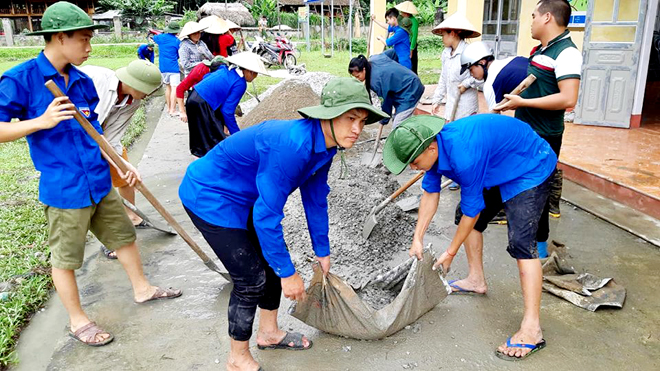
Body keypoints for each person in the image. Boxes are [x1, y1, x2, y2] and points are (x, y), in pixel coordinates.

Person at [0, 1, 181, 347]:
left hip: (98, 178)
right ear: (57, 37)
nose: (89, 47)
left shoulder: (82, 82)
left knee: (124, 235)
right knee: (66, 258)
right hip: (64, 187)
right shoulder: (21, 80)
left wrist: (122, 165)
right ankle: (77, 320)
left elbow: (94, 132)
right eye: (82, 39)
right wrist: (40, 122)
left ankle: (142, 288)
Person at [179, 77, 388, 371]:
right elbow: (266, 216)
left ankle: (268, 333)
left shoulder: (326, 147)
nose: (357, 129)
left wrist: (322, 251)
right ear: (328, 115)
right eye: (350, 118)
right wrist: (288, 273)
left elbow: (315, 199)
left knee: (271, 261)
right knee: (251, 278)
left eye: (362, 121)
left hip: (245, 196)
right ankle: (237, 357)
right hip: (210, 195)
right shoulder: (292, 146)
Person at [383, 114, 557, 361]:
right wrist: (417, 238)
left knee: (521, 242)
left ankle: (532, 329)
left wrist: (450, 252)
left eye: (414, 161)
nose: (412, 167)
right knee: (462, 218)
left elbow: (472, 211)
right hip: (496, 164)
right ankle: (476, 280)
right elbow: (430, 194)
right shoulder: (433, 153)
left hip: (529, 165)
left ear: (431, 147)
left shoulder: (463, 156)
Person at [496, 0, 583, 250]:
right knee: (522, 188)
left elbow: (568, 98)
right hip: (525, 131)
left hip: (544, 136)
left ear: (547, 18)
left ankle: (540, 253)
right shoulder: (541, 50)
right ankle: (532, 247)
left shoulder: (566, 53)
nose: (530, 21)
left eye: (533, 15)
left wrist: (524, 102)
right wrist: (516, 103)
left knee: (539, 194)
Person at [80, 60, 163, 258]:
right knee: (97, 189)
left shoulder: (133, 101)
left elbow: (112, 135)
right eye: (147, 91)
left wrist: (121, 164)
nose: (149, 96)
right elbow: (87, 130)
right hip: (75, 137)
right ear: (136, 84)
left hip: (101, 134)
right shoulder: (96, 80)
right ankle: (110, 239)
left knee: (126, 175)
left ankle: (132, 216)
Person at [430, 12, 481, 190]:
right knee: (452, 139)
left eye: (444, 34)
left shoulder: (469, 52)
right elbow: (443, 78)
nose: (442, 38)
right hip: (452, 103)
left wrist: (466, 84)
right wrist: (436, 99)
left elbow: (480, 77)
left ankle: (466, 177)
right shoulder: (446, 53)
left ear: (453, 33)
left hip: (466, 104)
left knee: (464, 141)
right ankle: (454, 176)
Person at [184, 52, 265, 157]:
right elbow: (227, 111)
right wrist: (237, 135)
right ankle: (208, 169)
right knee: (213, 143)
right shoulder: (240, 83)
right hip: (202, 104)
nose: (255, 77)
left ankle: (202, 167)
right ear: (249, 71)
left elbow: (207, 77)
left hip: (192, 98)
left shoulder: (226, 70)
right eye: (255, 73)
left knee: (202, 142)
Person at [348, 49, 424, 128]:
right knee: (399, 120)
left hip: (411, 89)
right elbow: (393, 53)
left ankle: (413, 136)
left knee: (397, 127)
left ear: (364, 69)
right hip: (403, 87)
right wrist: (395, 74)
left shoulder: (375, 82)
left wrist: (384, 119)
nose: (357, 79)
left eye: (357, 76)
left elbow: (386, 102)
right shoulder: (374, 58)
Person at [460, 41, 529, 111]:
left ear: (482, 63)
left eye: (471, 69)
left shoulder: (490, 84)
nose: (471, 74)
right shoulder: (516, 58)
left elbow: (494, 116)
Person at [176, 56, 228, 123]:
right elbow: (180, 88)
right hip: (196, 97)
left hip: (213, 98)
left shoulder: (225, 75)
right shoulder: (200, 70)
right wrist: (182, 111)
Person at [153, 21, 181, 115]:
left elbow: (154, 37)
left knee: (168, 87)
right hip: (173, 67)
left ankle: (169, 108)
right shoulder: (177, 41)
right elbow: (178, 55)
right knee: (175, 88)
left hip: (163, 67)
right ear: (177, 31)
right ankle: (173, 110)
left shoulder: (160, 37)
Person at [395, 1, 419, 74]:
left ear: (407, 13)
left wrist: (411, 50)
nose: (401, 14)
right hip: (403, 44)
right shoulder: (403, 20)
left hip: (410, 45)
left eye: (402, 12)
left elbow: (414, 36)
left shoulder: (414, 21)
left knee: (412, 66)